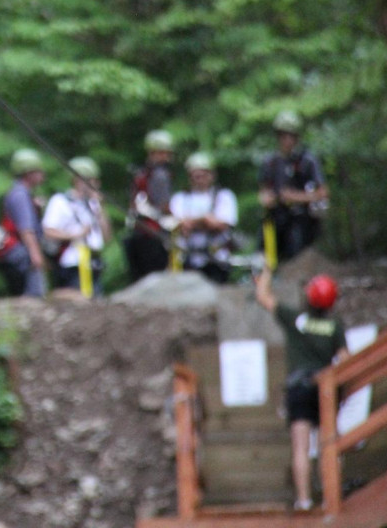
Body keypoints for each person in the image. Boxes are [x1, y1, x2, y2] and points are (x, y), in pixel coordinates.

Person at [254, 267, 349, 512]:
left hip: (299, 389)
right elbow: (346, 359)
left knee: (301, 447)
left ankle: (304, 501)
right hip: (325, 389)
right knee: (329, 445)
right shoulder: (334, 326)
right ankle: (332, 498)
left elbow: (263, 297)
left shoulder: (296, 318)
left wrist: (265, 275)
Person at [258, 111, 329, 263]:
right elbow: (264, 189)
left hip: (301, 220)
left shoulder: (308, 161)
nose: (287, 140)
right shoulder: (270, 162)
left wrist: (296, 197)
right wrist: (266, 199)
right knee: (266, 257)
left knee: (297, 256)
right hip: (275, 219)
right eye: (283, 135)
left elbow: (323, 193)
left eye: (291, 135)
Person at [42, 156, 112, 298]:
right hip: (72, 264)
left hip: (93, 262)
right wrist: (76, 234)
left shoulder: (93, 204)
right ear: (78, 180)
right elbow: (48, 231)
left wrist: (100, 208)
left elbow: (107, 236)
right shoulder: (60, 201)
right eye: (91, 180)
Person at [169, 151, 238, 284]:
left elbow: (222, 224)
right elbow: (178, 225)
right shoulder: (179, 198)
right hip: (188, 261)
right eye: (195, 175)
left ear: (212, 175)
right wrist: (205, 220)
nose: (199, 178)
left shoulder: (224, 196)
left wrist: (194, 222)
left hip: (217, 261)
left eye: (203, 174)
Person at [0, 148, 48, 297]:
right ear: (28, 173)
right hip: (21, 252)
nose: (42, 174)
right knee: (35, 295)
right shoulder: (20, 195)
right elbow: (26, 229)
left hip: (15, 250)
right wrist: (36, 255)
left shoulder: (20, 193)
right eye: (38, 171)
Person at [123, 129, 177, 283]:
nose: (166, 157)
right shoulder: (161, 175)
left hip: (138, 232)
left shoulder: (141, 173)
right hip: (153, 233)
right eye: (163, 153)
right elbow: (164, 205)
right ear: (153, 153)